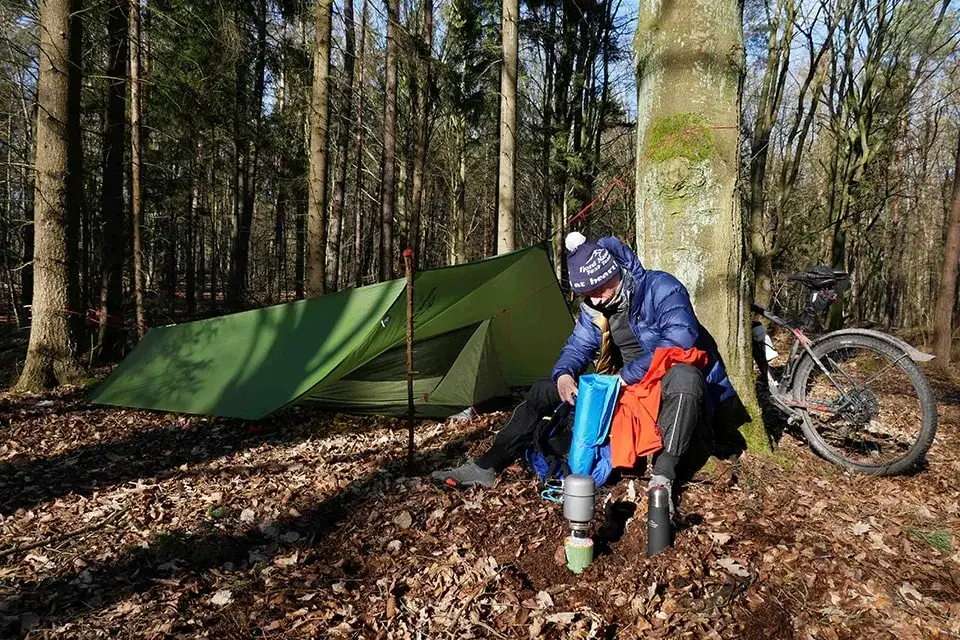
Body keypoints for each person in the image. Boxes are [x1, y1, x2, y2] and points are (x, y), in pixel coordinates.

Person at [431, 233, 737, 506]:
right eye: (587, 294)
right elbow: (578, 347)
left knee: (686, 376)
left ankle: (664, 476)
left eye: (599, 289)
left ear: (613, 274)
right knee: (541, 392)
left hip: (662, 383)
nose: (594, 298)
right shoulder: (595, 306)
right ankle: (487, 465)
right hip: (622, 387)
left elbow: (680, 340)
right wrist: (563, 374)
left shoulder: (659, 287)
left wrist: (625, 376)